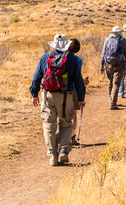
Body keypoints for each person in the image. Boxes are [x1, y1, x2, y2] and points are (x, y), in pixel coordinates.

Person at [30, 34, 86, 166]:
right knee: (66, 123)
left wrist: (34, 93)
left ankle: (52, 157)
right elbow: (78, 80)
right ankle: (63, 151)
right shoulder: (72, 59)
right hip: (66, 96)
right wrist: (81, 98)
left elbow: (37, 76)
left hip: (48, 95)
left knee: (49, 125)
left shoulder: (46, 57)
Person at [100, 26, 126, 110]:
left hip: (108, 63)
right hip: (119, 64)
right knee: (116, 83)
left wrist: (101, 65)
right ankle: (113, 103)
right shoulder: (123, 40)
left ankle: (110, 99)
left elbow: (103, 53)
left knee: (109, 81)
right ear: (120, 32)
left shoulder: (107, 39)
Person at [67, 39, 89, 146]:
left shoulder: (60, 57)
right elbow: (76, 77)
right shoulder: (77, 60)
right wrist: (84, 82)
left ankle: (63, 137)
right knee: (74, 115)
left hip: (62, 89)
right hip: (74, 89)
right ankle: (72, 138)